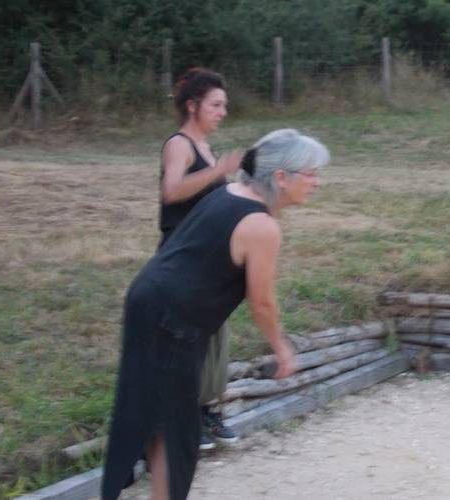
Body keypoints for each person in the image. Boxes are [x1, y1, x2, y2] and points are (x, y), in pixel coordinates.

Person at [102, 129, 330, 499]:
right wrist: (282, 347)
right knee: (178, 429)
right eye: (311, 173)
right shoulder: (262, 226)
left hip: (148, 300)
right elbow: (263, 302)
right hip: (172, 321)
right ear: (281, 177)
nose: (318, 182)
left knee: (159, 418)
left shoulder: (229, 193)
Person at [160, 68, 240, 450]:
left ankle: (207, 411)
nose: (223, 111)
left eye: (224, 105)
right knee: (188, 340)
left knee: (213, 340)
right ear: (192, 106)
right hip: (181, 260)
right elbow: (171, 191)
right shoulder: (180, 145)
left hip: (207, 260)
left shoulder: (207, 149)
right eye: (216, 104)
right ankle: (183, 418)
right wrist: (218, 171)